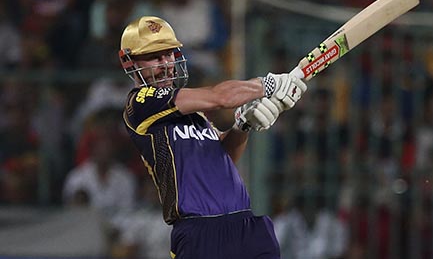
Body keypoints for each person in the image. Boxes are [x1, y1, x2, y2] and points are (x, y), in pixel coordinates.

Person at [119, 15, 307, 258]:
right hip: (200, 232)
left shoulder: (194, 113)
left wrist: (242, 126)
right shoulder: (139, 104)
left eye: (170, 54)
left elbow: (224, 156)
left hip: (245, 224)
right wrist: (268, 84)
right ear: (128, 62)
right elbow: (221, 98)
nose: (166, 63)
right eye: (155, 56)